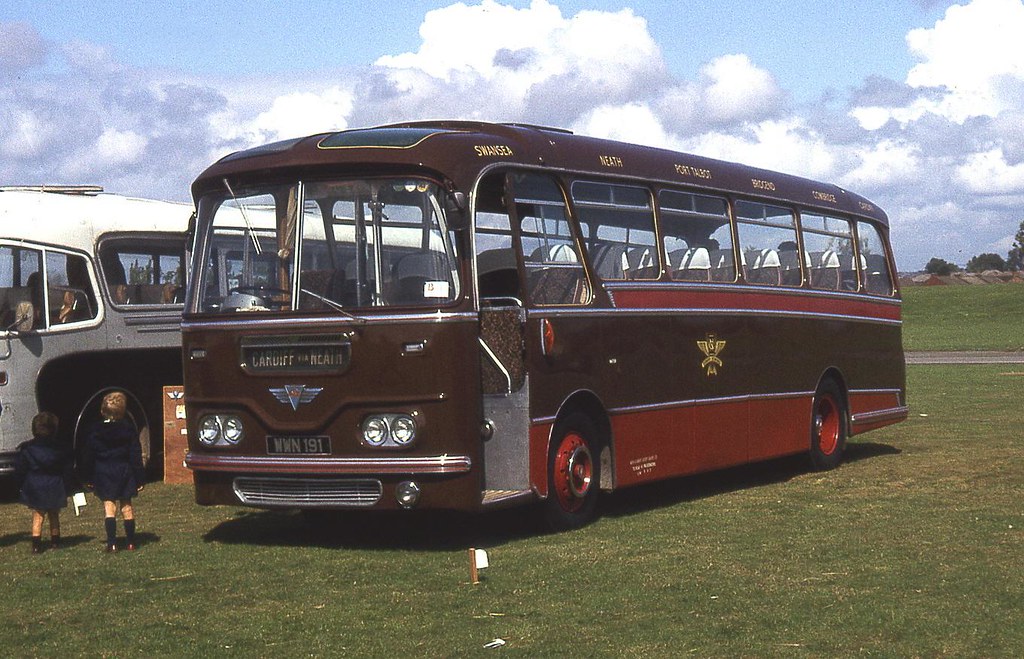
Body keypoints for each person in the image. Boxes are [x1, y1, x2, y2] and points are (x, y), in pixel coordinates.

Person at [81, 391, 145, 552]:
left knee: (109, 508)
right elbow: (135, 455)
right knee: (127, 507)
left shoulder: (95, 431)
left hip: (103, 471)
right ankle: (131, 542)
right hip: (124, 470)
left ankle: (112, 543)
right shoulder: (129, 430)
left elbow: (89, 455)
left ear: (102, 411)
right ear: (123, 411)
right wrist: (139, 478)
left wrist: (87, 476)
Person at [14, 412, 75, 554]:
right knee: (54, 514)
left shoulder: (27, 448)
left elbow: (21, 469)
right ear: (54, 429)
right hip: (54, 483)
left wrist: (20, 484)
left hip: (35, 485)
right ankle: (55, 540)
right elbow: (67, 468)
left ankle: (36, 544)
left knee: (38, 515)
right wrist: (67, 485)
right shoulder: (60, 448)